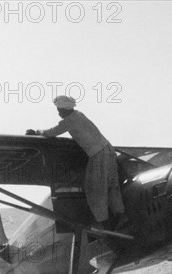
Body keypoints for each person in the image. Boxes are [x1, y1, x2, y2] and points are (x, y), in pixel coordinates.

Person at [26, 95, 128, 230]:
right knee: (112, 186)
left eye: (59, 109)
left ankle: (105, 224)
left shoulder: (69, 121)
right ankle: (121, 216)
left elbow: (51, 132)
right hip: (108, 150)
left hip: (98, 155)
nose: (58, 112)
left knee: (94, 191)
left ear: (65, 109)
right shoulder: (79, 115)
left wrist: (36, 132)